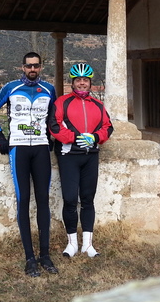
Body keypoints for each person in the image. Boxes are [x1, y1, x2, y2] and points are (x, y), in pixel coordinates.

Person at [0, 52, 58, 277]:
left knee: (43, 200)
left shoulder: (48, 89)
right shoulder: (11, 87)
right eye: (29, 66)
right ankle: (30, 258)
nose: (32, 69)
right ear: (23, 67)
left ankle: (44, 255)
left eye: (36, 66)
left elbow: (53, 115)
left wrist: (52, 135)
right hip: (18, 148)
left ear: (41, 67)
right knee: (24, 200)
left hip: (41, 148)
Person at [47, 63, 113, 258]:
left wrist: (95, 137)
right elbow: (54, 126)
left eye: (85, 80)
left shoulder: (98, 105)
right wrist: (74, 138)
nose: (82, 83)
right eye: (78, 80)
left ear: (90, 82)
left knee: (87, 200)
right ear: (72, 82)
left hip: (90, 156)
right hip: (69, 156)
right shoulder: (62, 102)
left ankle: (88, 245)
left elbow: (108, 127)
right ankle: (72, 244)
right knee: (69, 199)